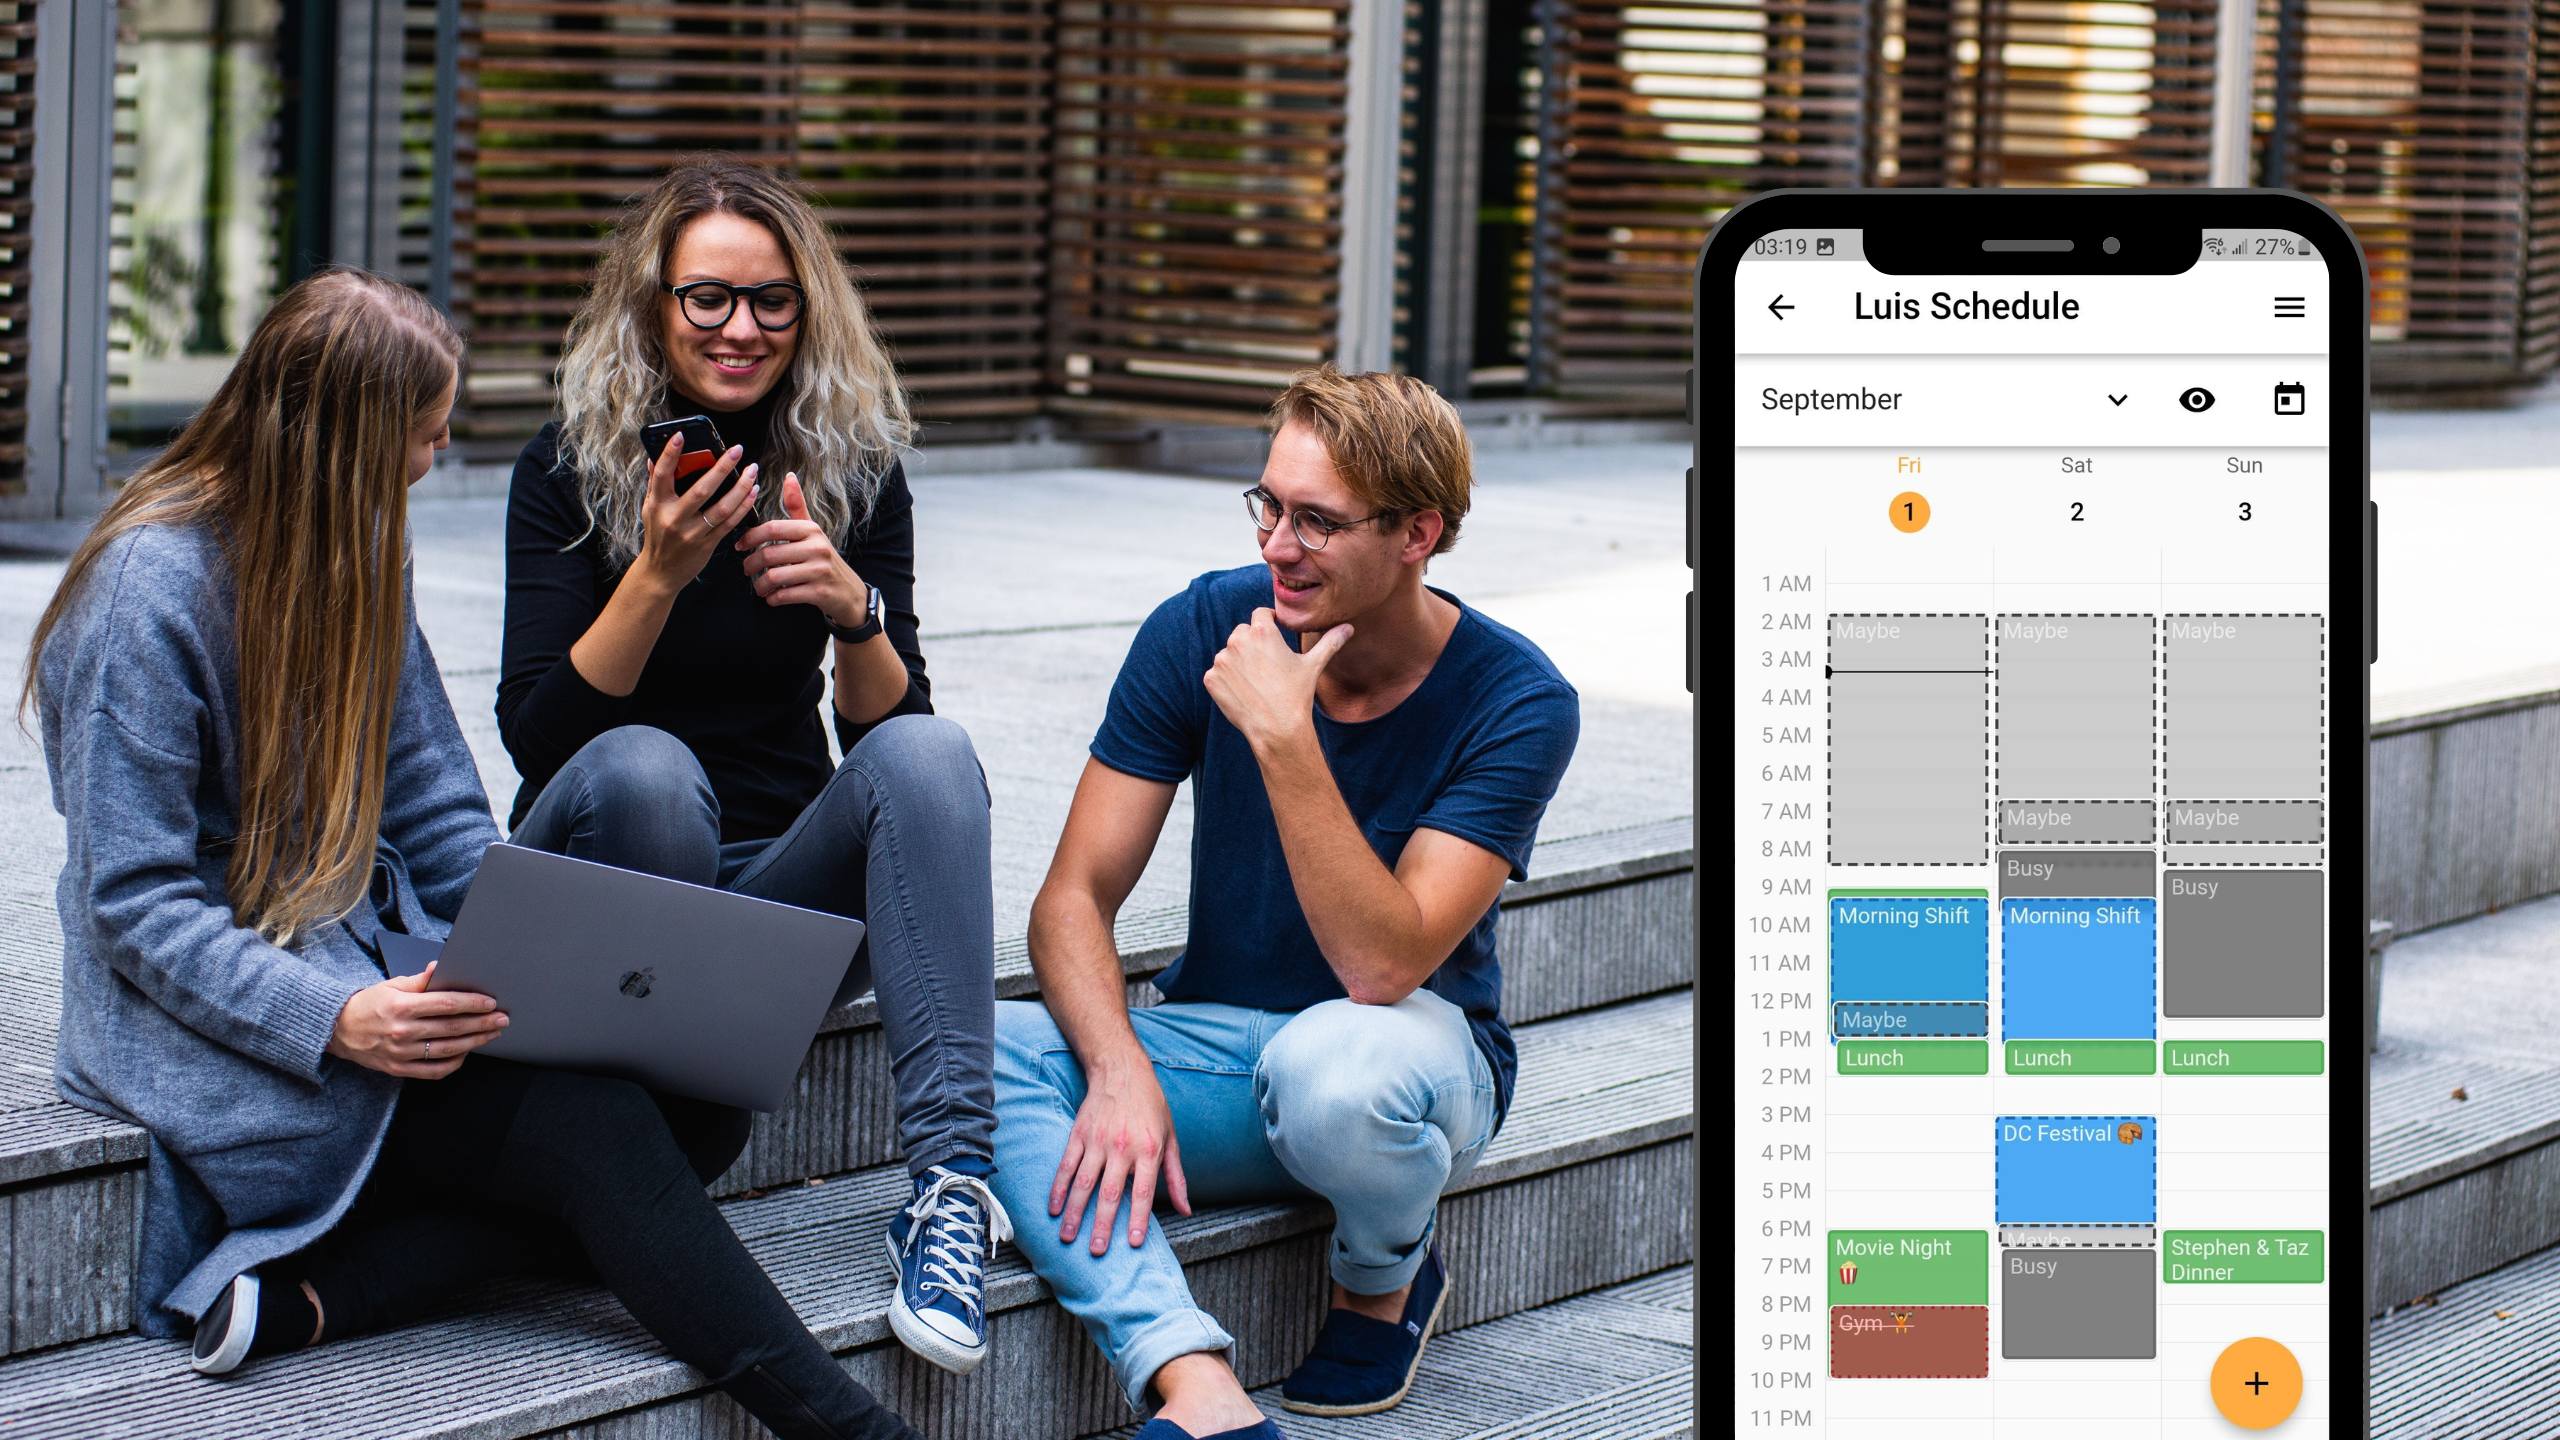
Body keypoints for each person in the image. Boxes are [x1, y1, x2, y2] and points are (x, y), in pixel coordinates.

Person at [29, 270, 925, 1439]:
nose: (434, 462)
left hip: (370, 963)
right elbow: (135, 905)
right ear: (341, 439)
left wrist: (524, 964)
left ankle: (330, 1293)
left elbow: (441, 811)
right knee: (598, 1129)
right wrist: (333, 1020)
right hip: (220, 1025)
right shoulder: (142, 596)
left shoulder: (354, 549)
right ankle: (850, 1429)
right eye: (424, 434)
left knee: (696, 1114)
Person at [988, 366, 1581, 1439]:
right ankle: (1192, 1382)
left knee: (1335, 1069)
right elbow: (1071, 896)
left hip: (1407, 1065)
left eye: (1317, 520)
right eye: (1268, 505)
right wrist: (1119, 1071)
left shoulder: (1517, 699)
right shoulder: (1209, 621)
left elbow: (1381, 969)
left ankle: (1381, 1278)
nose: (1276, 544)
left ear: (1417, 534)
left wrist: (1283, 735)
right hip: (1219, 1047)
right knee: (978, 1046)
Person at [496, 158, 1005, 1375]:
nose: (740, 330)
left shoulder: (853, 467)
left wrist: (853, 611)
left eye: (772, 301)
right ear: (653, 305)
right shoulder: (566, 470)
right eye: (706, 298)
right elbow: (539, 739)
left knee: (934, 754)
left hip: (771, 903)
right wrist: (657, 573)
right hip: (609, 876)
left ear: (808, 309)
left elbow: (892, 749)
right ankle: (630, 1141)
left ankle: (949, 1192)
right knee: (648, 772)